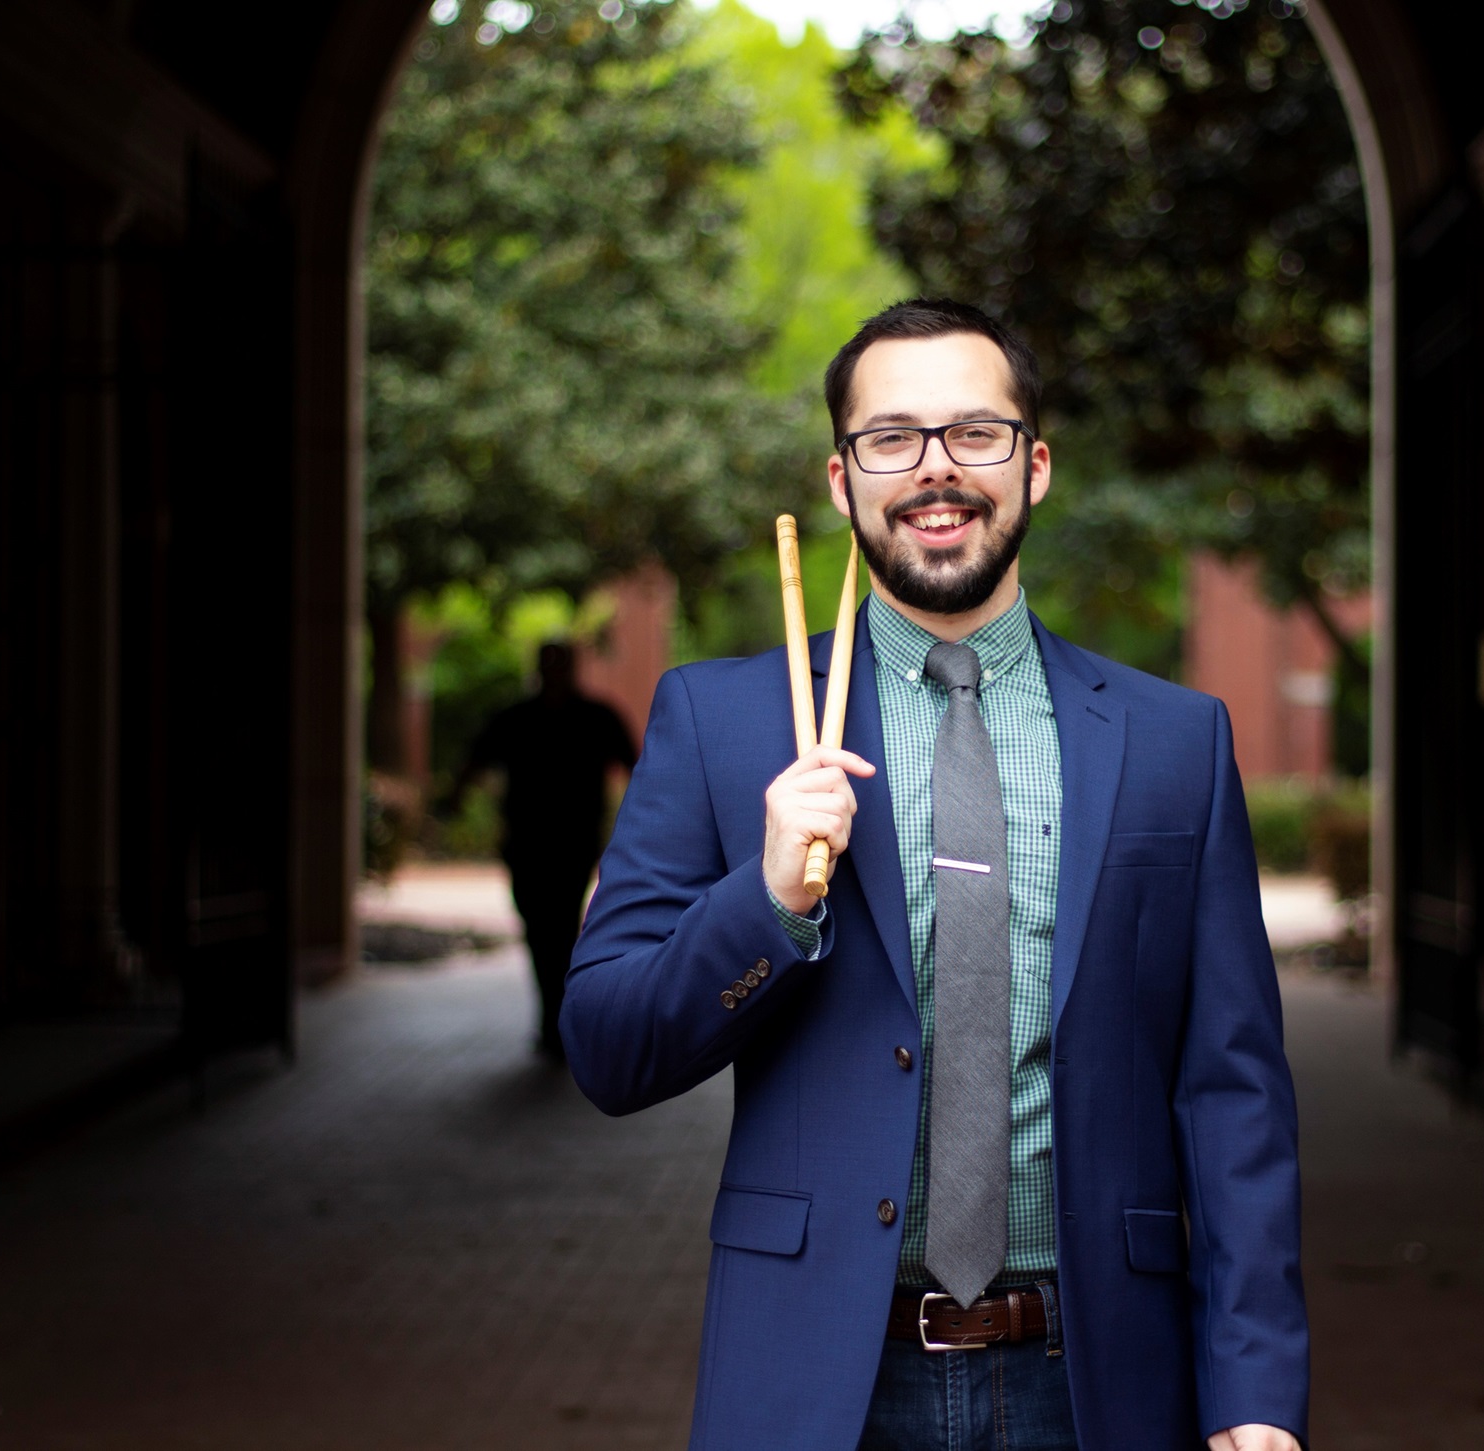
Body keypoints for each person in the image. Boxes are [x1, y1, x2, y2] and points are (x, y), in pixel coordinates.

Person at [563, 300, 1306, 1449]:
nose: (933, 467)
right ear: (840, 478)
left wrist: (1254, 1384)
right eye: (891, 437)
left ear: (1034, 464)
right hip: (821, 1380)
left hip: (1096, 1376)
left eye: (973, 432)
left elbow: (1230, 1090)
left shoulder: (1173, 741)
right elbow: (608, 1050)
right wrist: (767, 902)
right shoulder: (724, 722)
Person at [447, 641, 638, 1060]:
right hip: (530, 844)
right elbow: (475, 762)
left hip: (569, 844)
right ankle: (556, 1019)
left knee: (558, 927)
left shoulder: (591, 718)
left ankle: (559, 1021)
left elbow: (639, 771)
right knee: (541, 928)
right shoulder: (522, 718)